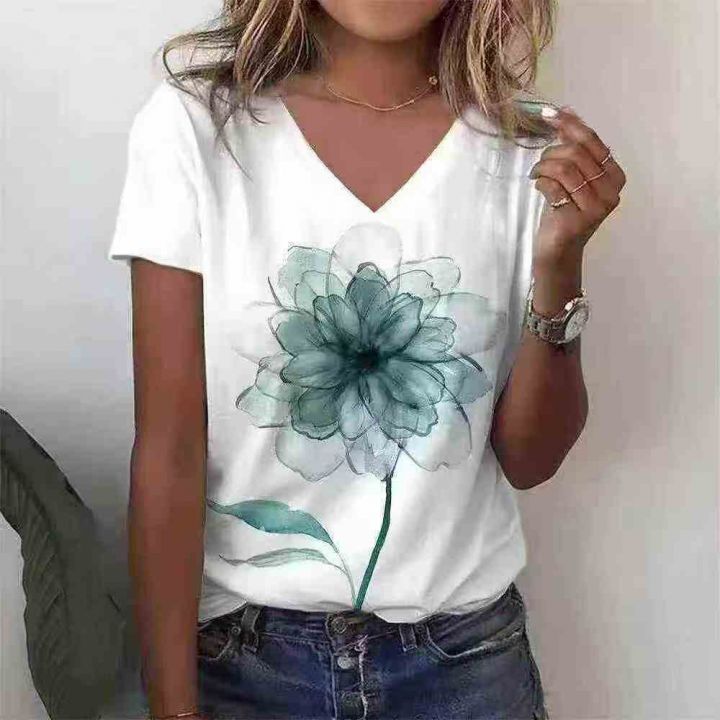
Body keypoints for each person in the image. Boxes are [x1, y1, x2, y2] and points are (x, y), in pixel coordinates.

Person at [108, 1, 625, 718]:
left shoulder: (527, 151)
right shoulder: (197, 128)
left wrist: (561, 263)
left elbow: (530, 460)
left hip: (465, 666)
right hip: (244, 664)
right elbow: (169, 452)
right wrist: (171, 709)